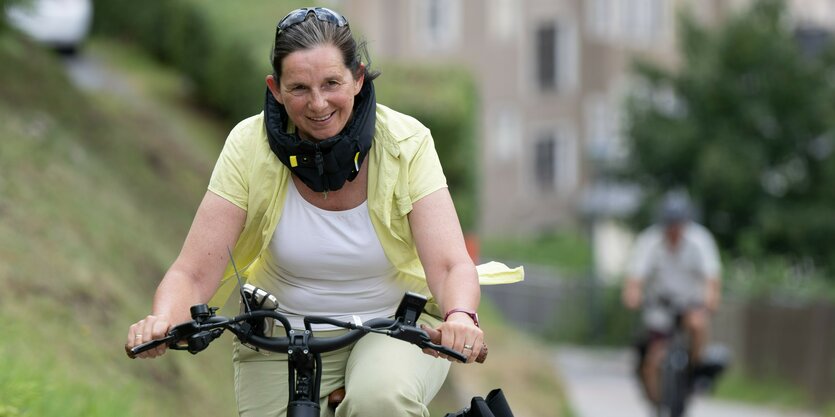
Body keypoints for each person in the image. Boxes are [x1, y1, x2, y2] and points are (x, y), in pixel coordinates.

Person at [125, 7, 522, 417]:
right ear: (275, 89)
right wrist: (161, 322)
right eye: (299, 88)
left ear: (358, 78)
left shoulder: (407, 143)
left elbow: (450, 264)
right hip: (282, 336)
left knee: (378, 400)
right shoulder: (247, 146)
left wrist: (459, 316)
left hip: (391, 327)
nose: (318, 104)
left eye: (332, 83)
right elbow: (193, 272)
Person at [621, 190, 721, 405]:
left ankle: (695, 371)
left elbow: (712, 279)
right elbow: (635, 278)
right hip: (660, 307)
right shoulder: (649, 241)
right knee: (652, 361)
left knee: (698, 325)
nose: (674, 229)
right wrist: (633, 295)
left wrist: (710, 301)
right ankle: (658, 402)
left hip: (689, 305)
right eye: (670, 224)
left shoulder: (700, 241)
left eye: (678, 223)